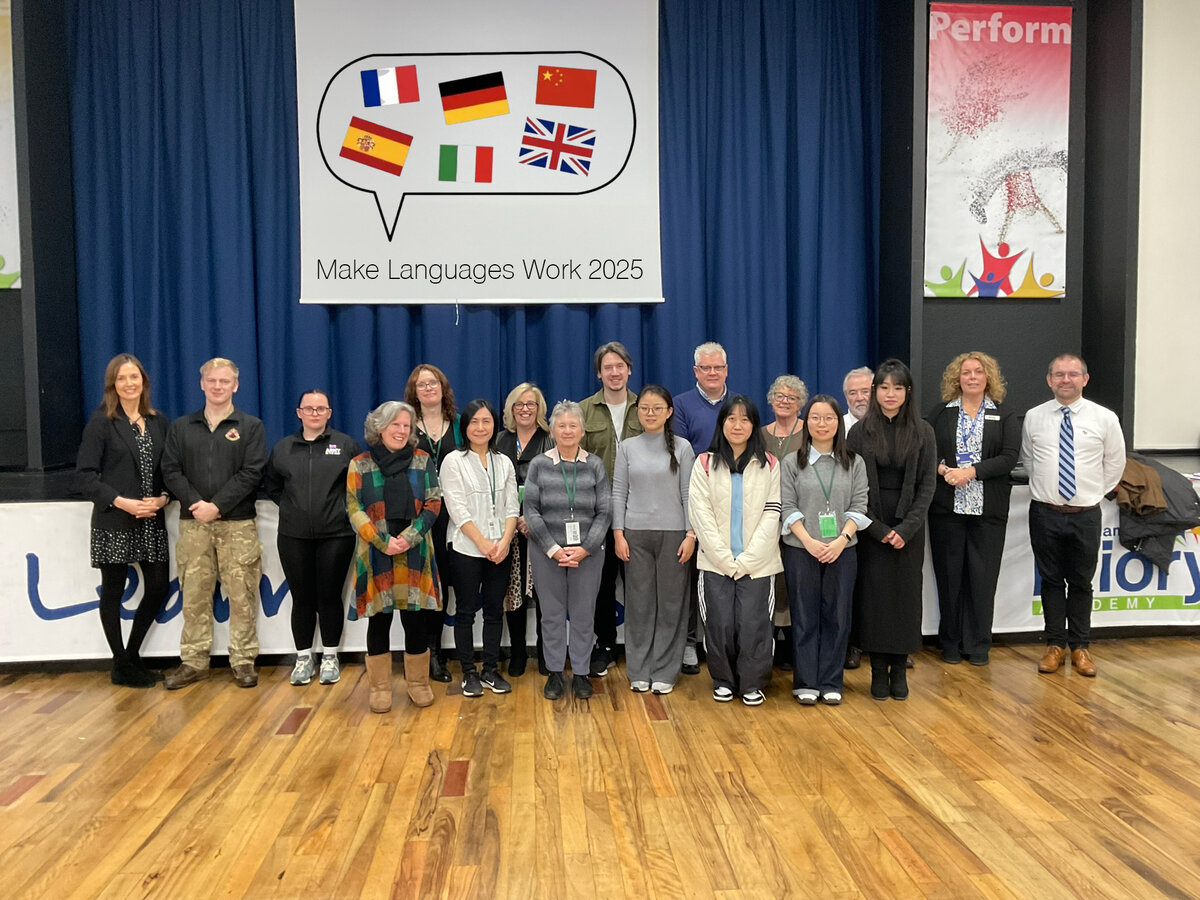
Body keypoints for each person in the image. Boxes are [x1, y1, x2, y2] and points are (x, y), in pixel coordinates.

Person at [161, 357, 266, 690]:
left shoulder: (251, 427)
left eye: (225, 381)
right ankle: (193, 661)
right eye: (212, 380)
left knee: (242, 596)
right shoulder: (181, 427)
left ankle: (243, 660)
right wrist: (198, 505)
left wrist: (217, 506)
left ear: (235, 385)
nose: (218, 386)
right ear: (202, 384)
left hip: (238, 525)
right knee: (194, 595)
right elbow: (170, 470)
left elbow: (252, 472)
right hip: (194, 525)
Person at [1021, 353, 1125, 677]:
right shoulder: (1034, 417)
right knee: (1051, 580)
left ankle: (1081, 647)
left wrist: (1091, 494)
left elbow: (1115, 464)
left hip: (1085, 514)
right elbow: (1029, 460)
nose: (1066, 380)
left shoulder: (1105, 418)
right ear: (1049, 380)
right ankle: (1054, 646)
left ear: (1085, 379)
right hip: (1045, 512)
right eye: (1059, 374)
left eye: (1072, 374)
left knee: (1081, 582)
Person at [76, 353, 172, 688]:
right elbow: (85, 476)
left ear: (144, 382)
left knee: (158, 587)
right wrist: (122, 502)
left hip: (151, 519)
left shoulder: (158, 422)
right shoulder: (102, 422)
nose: (129, 383)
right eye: (121, 378)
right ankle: (119, 663)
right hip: (115, 519)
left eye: (134, 377)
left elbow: (169, 470)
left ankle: (131, 657)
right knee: (113, 590)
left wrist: (164, 498)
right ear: (112, 385)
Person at [846, 359, 936, 701]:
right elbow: (854, 486)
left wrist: (907, 528)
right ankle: (877, 670)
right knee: (874, 601)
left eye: (897, 387)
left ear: (907, 392)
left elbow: (927, 486)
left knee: (905, 600)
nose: (890, 394)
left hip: (909, 528)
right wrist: (878, 529)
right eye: (884, 387)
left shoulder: (923, 432)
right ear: (875, 391)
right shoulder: (859, 432)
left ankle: (899, 669)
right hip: (871, 526)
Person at [347, 401, 443, 711]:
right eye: (395, 425)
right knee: (379, 621)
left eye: (406, 426)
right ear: (379, 428)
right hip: (377, 553)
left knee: (416, 620)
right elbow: (354, 508)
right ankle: (379, 687)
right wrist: (382, 541)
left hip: (414, 552)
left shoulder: (423, 461)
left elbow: (433, 504)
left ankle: (418, 683)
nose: (401, 431)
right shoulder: (359, 465)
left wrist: (408, 538)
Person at [688, 395, 783, 706]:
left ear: (754, 425)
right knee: (720, 624)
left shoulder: (770, 464)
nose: (737, 425)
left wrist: (747, 560)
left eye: (745, 419)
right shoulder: (704, 463)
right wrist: (725, 559)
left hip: (758, 565)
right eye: (731, 419)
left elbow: (772, 513)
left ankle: (753, 683)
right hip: (716, 563)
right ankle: (724, 680)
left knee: (754, 625)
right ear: (722, 423)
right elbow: (700, 514)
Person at [927, 353, 1020, 666]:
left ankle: (978, 644)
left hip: (988, 511)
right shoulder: (941, 412)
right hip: (947, 510)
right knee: (949, 578)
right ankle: (950, 643)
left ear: (988, 377)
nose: (972, 377)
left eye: (978, 372)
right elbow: (927, 453)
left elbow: (1009, 457)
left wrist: (971, 472)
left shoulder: (1003, 414)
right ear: (957, 378)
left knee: (982, 580)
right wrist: (944, 471)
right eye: (966, 372)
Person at [264, 390, 361, 686]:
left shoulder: (345, 445)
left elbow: (359, 485)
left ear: (329, 413)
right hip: (293, 536)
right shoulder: (283, 448)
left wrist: (339, 511)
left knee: (330, 597)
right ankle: (304, 657)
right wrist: (292, 509)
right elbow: (272, 486)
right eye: (309, 408)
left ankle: (330, 656)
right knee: (302, 598)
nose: (315, 413)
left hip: (337, 535)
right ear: (299, 413)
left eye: (321, 409)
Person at [780, 395, 869, 705]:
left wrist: (841, 540)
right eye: (815, 418)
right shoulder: (792, 462)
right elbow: (787, 506)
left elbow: (860, 505)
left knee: (838, 617)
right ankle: (805, 682)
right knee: (804, 616)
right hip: (801, 550)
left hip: (842, 550)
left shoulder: (854, 462)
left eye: (829, 418)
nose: (822, 424)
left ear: (838, 423)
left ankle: (831, 681)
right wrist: (809, 541)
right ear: (807, 423)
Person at [523, 400, 612, 701]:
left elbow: (605, 511)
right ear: (552, 430)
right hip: (547, 552)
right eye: (561, 425)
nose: (567, 431)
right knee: (551, 615)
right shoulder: (539, 465)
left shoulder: (594, 465)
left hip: (588, 554)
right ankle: (555, 673)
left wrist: (585, 548)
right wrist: (553, 548)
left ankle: (582, 673)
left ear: (583, 431)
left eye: (573, 425)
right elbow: (531, 510)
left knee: (584, 614)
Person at [612, 385, 696, 694]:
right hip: (635, 534)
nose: (650, 413)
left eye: (657, 408)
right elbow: (618, 492)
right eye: (645, 408)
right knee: (639, 604)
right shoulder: (627, 447)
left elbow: (689, 494)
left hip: (674, 535)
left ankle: (664, 670)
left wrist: (691, 534)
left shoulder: (683, 447)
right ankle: (639, 669)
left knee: (672, 605)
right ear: (637, 412)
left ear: (669, 412)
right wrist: (618, 534)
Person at [440, 399, 520, 698]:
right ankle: (469, 673)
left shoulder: (504, 462)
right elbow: (457, 509)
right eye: (474, 421)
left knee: (494, 612)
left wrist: (505, 541)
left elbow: (512, 506)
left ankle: (489, 669)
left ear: (494, 426)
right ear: (465, 427)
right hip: (466, 548)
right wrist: (484, 543)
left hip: (501, 548)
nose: (480, 427)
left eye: (486, 421)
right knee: (465, 611)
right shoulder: (453, 461)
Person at [674, 341, 739, 675]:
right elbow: (682, 454)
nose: (712, 373)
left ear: (726, 370)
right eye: (706, 368)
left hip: (735, 503)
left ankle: (728, 645)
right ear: (695, 371)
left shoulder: (739, 405)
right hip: (694, 499)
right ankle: (688, 642)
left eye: (718, 367)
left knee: (728, 574)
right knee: (689, 577)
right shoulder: (680, 405)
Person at [578, 340, 643, 678]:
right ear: (599, 374)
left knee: (640, 584)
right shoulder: (583, 411)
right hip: (598, 513)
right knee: (601, 585)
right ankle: (604, 645)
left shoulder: (646, 407)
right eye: (608, 368)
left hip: (640, 511)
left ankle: (641, 646)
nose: (614, 372)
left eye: (620, 366)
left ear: (629, 370)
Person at [404, 363, 460, 683]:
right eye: (421, 384)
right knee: (420, 585)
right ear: (414, 392)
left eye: (433, 383)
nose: (428, 388)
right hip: (418, 517)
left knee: (441, 585)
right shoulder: (406, 426)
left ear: (442, 388)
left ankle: (436, 652)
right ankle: (419, 652)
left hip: (453, 518)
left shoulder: (459, 424)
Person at [495, 383, 554, 676]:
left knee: (546, 594)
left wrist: (532, 518)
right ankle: (517, 652)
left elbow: (557, 484)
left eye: (531, 404)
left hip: (543, 528)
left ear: (539, 408)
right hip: (508, 528)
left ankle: (546, 654)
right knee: (513, 593)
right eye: (519, 404)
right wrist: (513, 519)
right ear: (511, 409)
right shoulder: (499, 440)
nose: (525, 409)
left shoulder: (550, 439)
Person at [761, 375, 809, 670]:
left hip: (800, 519)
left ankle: (793, 644)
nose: (784, 401)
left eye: (791, 397)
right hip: (765, 519)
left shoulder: (809, 433)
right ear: (771, 399)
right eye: (779, 395)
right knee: (772, 579)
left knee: (795, 580)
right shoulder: (760, 435)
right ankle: (769, 642)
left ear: (801, 403)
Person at [842, 366, 874, 432]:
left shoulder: (887, 425)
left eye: (865, 392)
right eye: (853, 393)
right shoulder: (837, 428)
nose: (859, 398)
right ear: (846, 396)